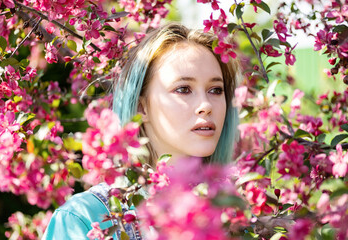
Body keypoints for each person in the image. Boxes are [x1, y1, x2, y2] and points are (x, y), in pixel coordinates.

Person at [42, 22, 240, 240]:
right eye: (183, 89)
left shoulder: (238, 215)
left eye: (216, 90)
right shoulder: (83, 218)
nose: (206, 104)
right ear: (141, 107)